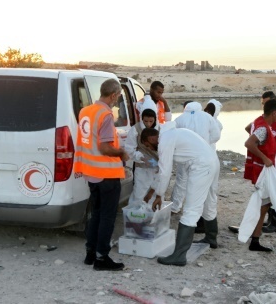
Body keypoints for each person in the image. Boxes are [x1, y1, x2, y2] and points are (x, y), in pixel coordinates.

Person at [141, 123, 220, 266]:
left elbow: (165, 172)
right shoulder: (174, 133)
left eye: (147, 145)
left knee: (191, 209)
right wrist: (152, 190)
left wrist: (159, 195)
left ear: (151, 139)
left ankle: (179, 255)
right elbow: (162, 171)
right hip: (212, 161)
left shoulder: (165, 141)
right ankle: (211, 238)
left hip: (201, 166)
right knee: (209, 202)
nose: (149, 149)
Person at [74, 78, 129, 271]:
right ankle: (101, 257)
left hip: (90, 172)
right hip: (106, 173)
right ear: (113, 95)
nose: (117, 101)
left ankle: (90, 253)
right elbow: (104, 147)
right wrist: (121, 153)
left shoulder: (85, 111)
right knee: (107, 216)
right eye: (118, 97)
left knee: (95, 214)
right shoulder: (105, 114)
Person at [228, 91, 276, 234]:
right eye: (262, 103)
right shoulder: (262, 123)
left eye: (266, 103)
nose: (263, 105)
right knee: (266, 197)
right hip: (267, 164)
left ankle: (271, 223)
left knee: (273, 195)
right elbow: (250, 131)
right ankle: (257, 229)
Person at [239, 99, 276, 252]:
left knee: (263, 205)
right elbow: (249, 143)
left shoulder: (259, 122)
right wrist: (264, 157)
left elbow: (248, 128)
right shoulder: (264, 129)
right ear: (273, 112)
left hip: (261, 171)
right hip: (262, 172)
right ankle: (255, 240)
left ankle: (254, 236)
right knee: (263, 206)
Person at [171, 102, 221, 215]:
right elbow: (216, 135)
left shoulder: (179, 118)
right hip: (202, 156)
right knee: (199, 183)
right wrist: (206, 143)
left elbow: (173, 136)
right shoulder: (207, 117)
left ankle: (175, 206)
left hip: (184, 156)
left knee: (181, 180)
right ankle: (196, 210)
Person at [124, 95, 160, 205]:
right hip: (142, 168)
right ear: (141, 118)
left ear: (155, 119)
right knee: (139, 194)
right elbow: (129, 149)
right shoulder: (135, 129)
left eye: (151, 121)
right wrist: (142, 157)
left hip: (157, 168)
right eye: (145, 121)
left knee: (155, 193)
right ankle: (137, 219)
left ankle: (152, 218)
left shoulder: (161, 129)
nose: (148, 124)